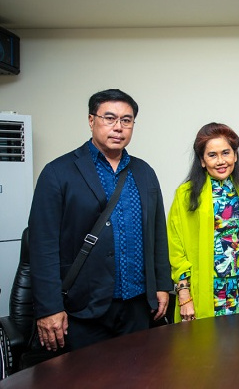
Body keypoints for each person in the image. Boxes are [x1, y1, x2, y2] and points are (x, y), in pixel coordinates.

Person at [28, 89, 171, 354]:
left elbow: (157, 234)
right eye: (110, 118)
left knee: (139, 377)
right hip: (82, 309)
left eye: (126, 120)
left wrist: (162, 285)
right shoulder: (58, 172)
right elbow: (42, 246)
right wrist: (49, 308)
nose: (119, 127)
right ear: (91, 120)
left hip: (137, 305)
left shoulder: (144, 172)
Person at [168, 123, 239, 322]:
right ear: (202, 160)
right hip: (203, 292)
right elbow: (175, 249)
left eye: (226, 153)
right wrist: (184, 297)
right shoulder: (186, 195)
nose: (221, 161)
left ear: (235, 156)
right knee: (202, 350)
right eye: (212, 155)